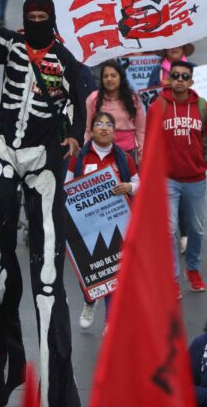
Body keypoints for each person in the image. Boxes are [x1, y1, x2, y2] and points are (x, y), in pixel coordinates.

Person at [0, 0, 88, 407]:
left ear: (52, 21)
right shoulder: (14, 45)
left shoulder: (65, 59)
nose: (36, 23)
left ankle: (55, 384)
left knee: (48, 275)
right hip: (4, 149)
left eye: (42, 19)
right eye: (31, 18)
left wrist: (74, 137)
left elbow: (79, 100)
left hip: (42, 157)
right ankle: (5, 353)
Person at [147, 57, 207, 294]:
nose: (179, 80)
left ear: (191, 81)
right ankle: (173, 278)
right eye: (175, 76)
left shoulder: (202, 106)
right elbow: (149, 146)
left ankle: (193, 268)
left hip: (196, 178)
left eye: (184, 77)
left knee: (196, 229)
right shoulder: (158, 107)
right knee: (169, 230)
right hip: (168, 180)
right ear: (168, 78)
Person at [68, 109, 137, 329]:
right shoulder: (79, 158)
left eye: (109, 124)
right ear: (91, 130)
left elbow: (139, 183)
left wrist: (130, 187)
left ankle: (110, 321)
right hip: (86, 227)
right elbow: (65, 187)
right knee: (88, 271)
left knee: (112, 272)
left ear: (115, 131)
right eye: (99, 124)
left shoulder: (124, 158)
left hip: (115, 225)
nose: (104, 128)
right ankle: (90, 302)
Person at [84, 61, 145, 159]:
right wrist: (86, 153)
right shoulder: (93, 99)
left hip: (128, 153)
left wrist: (142, 152)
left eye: (113, 75)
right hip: (101, 154)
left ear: (121, 77)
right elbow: (88, 130)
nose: (109, 79)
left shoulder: (133, 99)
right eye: (105, 76)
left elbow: (141, 129)